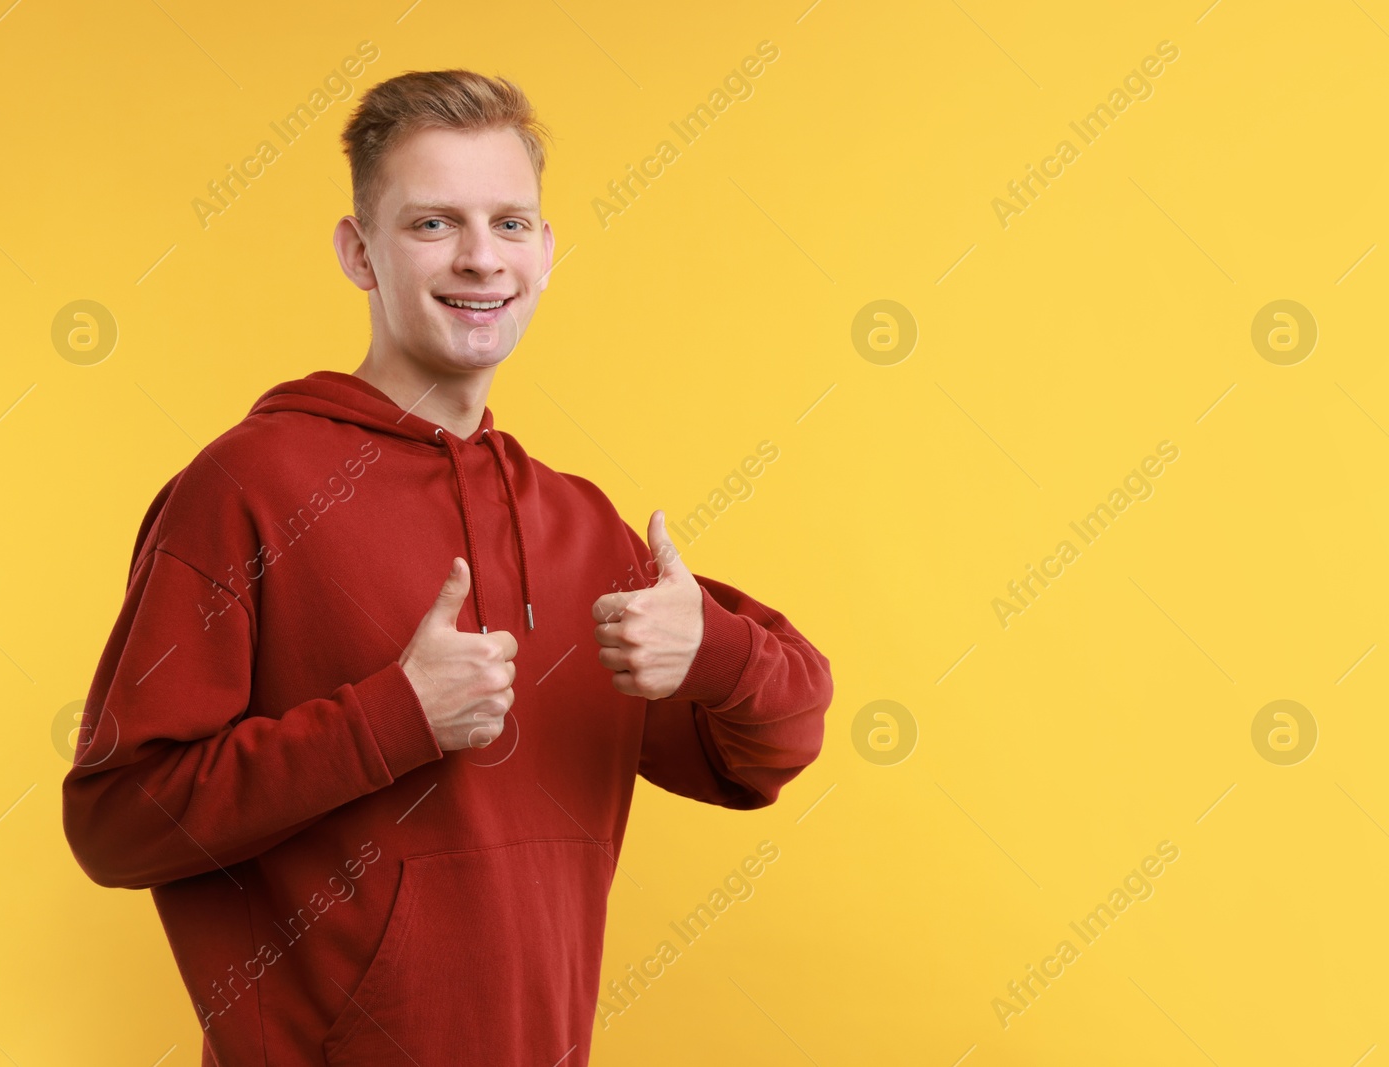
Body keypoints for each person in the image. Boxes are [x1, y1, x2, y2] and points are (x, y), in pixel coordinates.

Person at [61, 68, 833, 1067]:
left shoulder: (580, 525)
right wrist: (392, 718)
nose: (481, 258)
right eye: (433, 224)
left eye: (510, 223)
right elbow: (116, 823)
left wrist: (715, 650)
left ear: (546, 252)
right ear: (359, 252)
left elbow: (768, 749)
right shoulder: (245, 486)